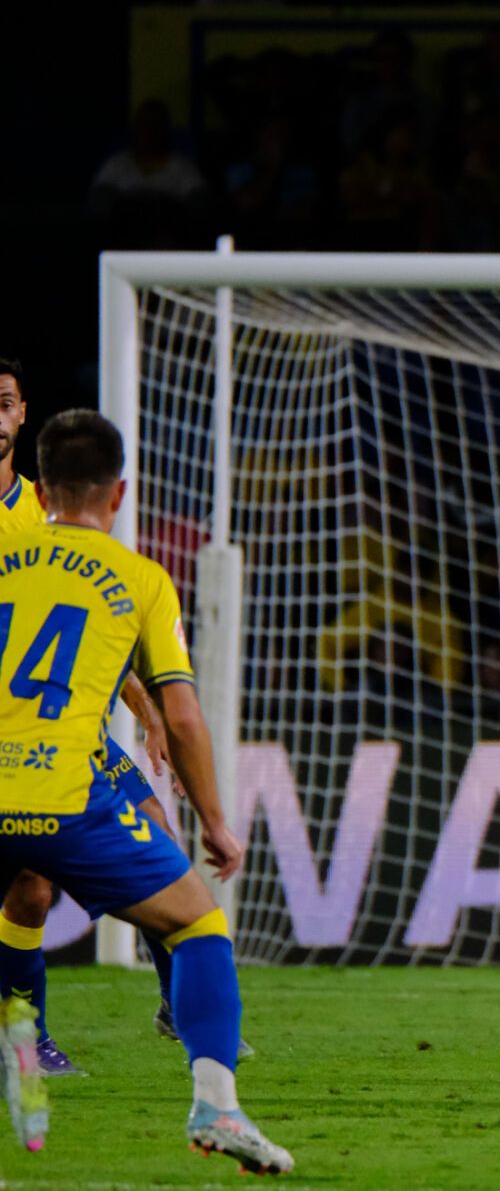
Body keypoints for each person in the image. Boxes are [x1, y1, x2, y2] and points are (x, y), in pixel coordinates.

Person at [0, 410, 288, 1170]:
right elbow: (185, 716)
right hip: (63, 795)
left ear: (43, 482)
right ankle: (216, 1108)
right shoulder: (140, 579)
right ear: (119, 492)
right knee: (198, 927)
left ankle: (17, 1031)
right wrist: (219, 821)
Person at [0, 362, 241, 1078]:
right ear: (117, 494)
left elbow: (87, 631)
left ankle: (177, 1004)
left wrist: (140, 707)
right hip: (29, 737)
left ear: (21, 421)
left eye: (4, 402)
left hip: (70, 726)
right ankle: (26, 1037)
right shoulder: (134, 569)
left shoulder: (26, 522)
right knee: (35, 884)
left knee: (159, 832)